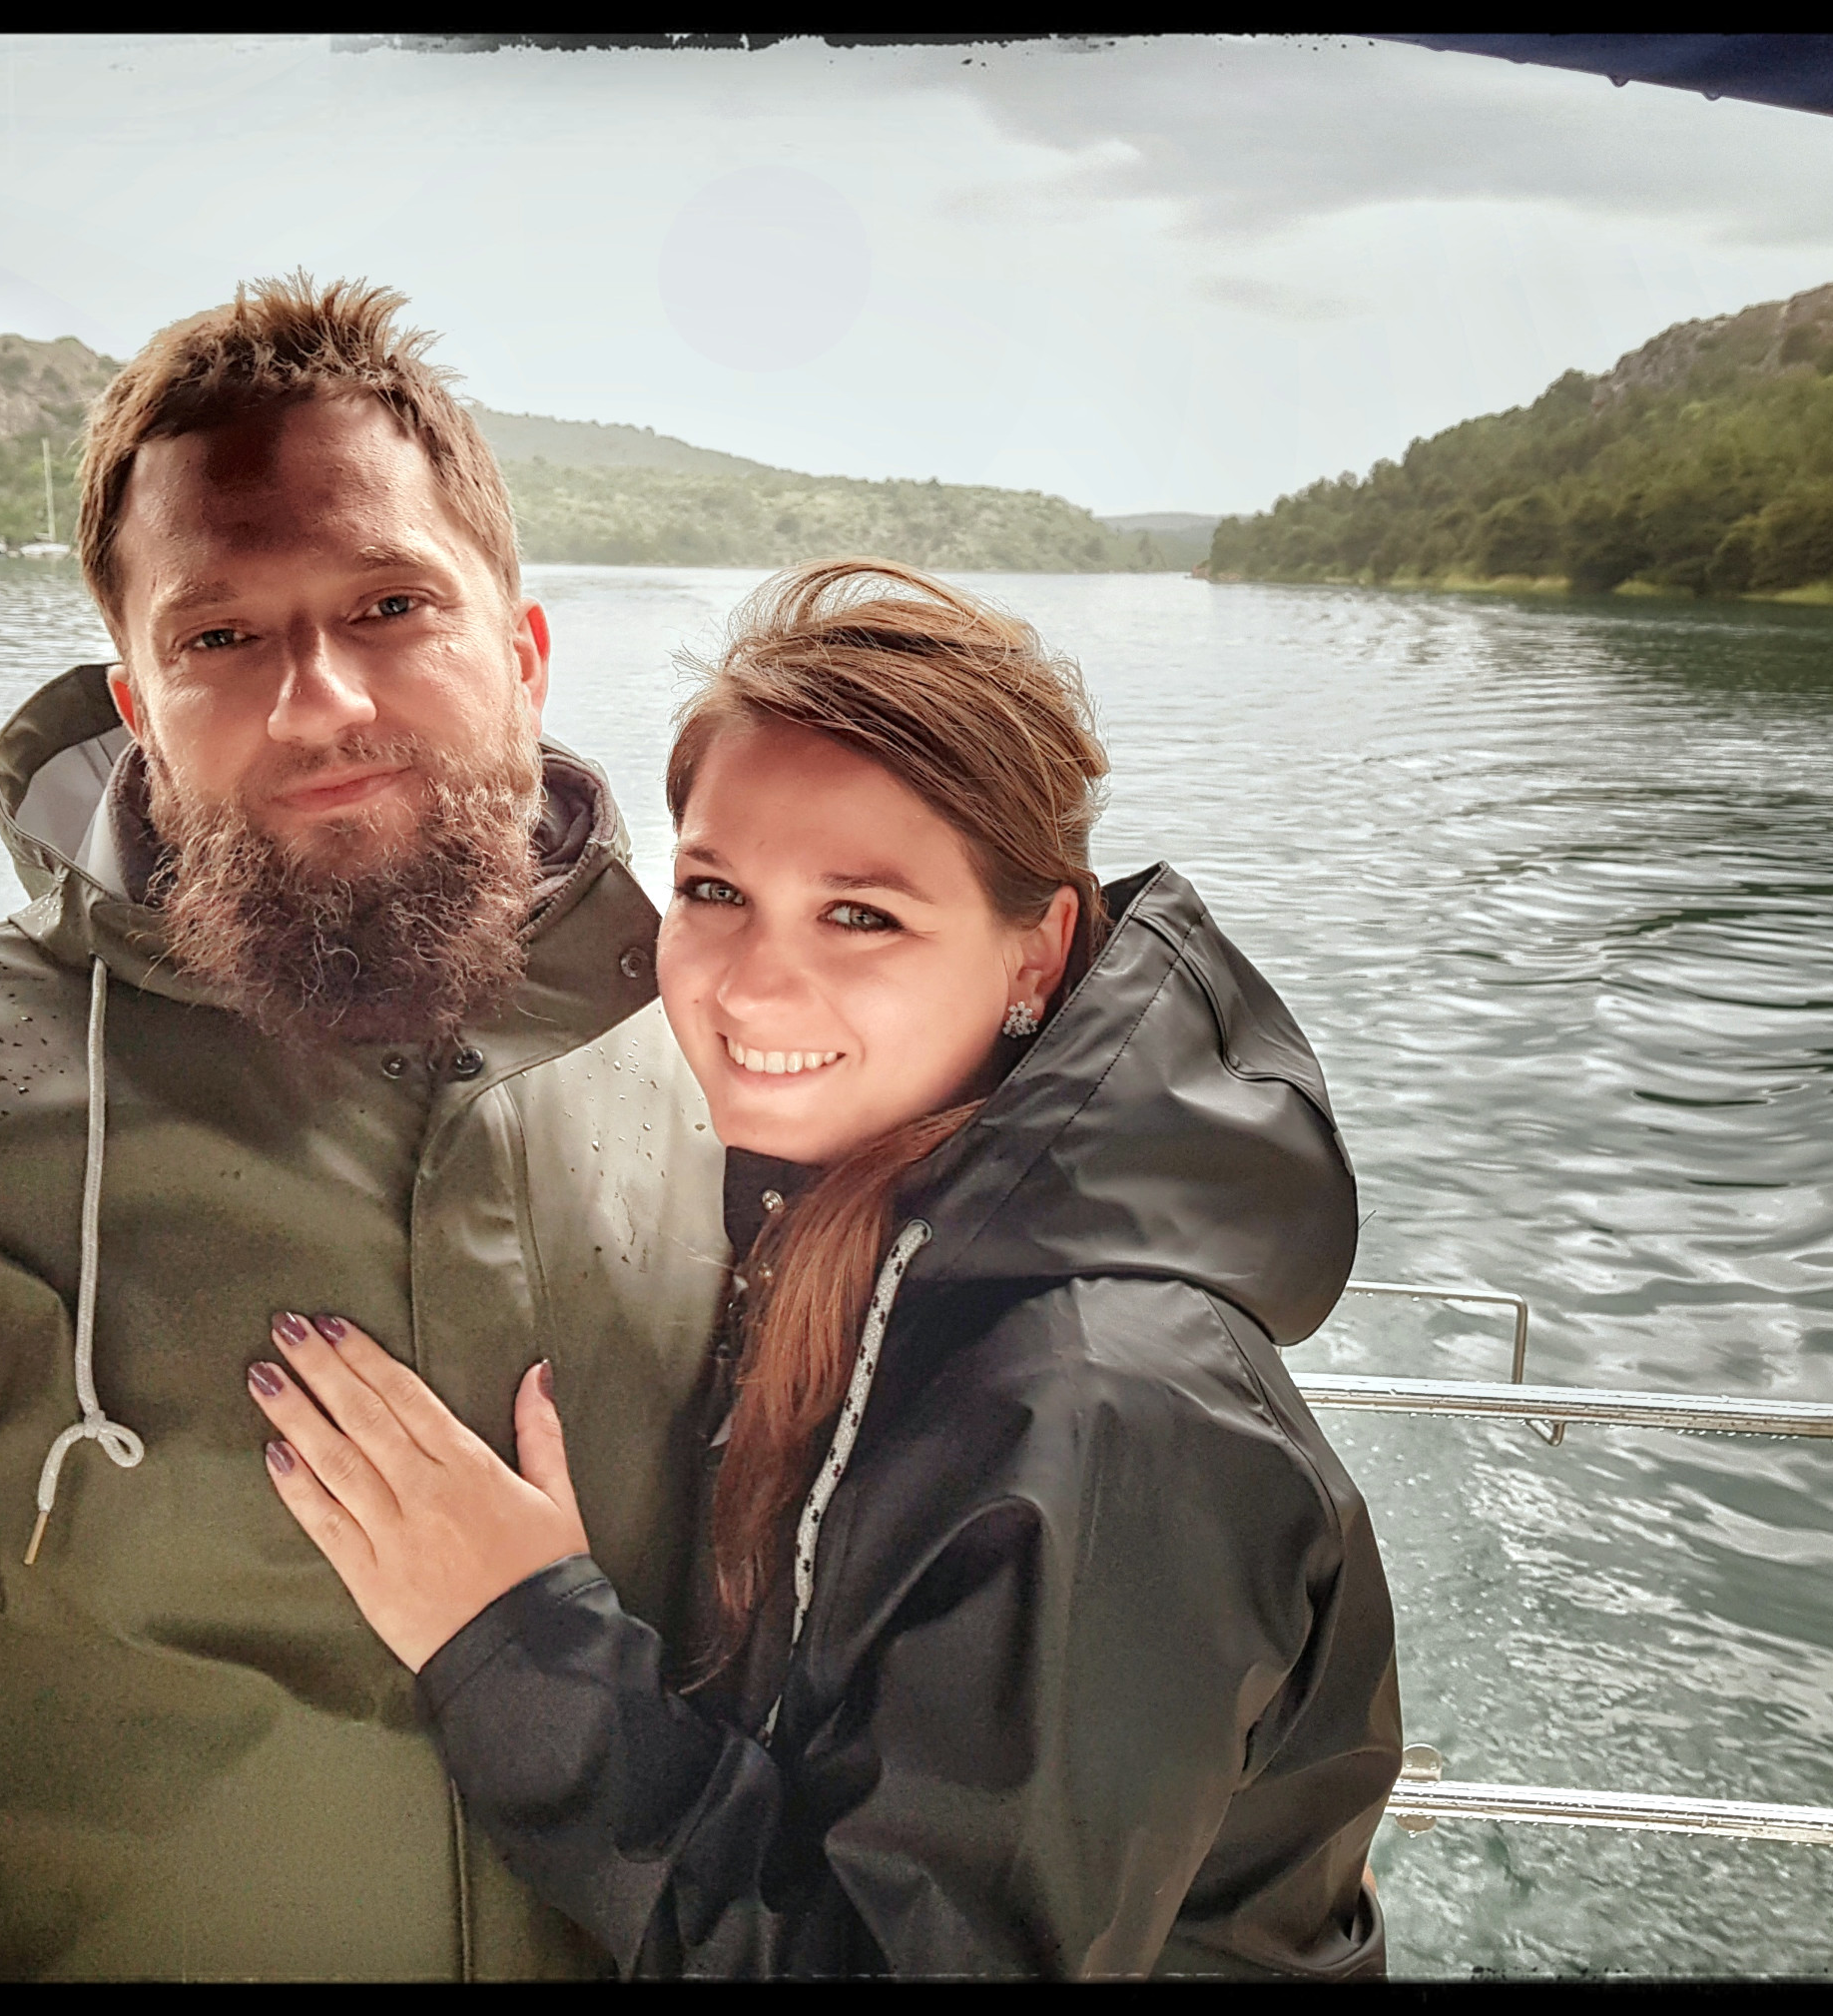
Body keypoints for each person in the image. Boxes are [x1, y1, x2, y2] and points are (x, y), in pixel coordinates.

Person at [0, 277, 730, 1979]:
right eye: (218, 638)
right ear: (135, 701)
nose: (319, 700)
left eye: (392, 604)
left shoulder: (726, 1056)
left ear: (524, 649)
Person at [244, 560, 1405, 1978]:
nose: (749, 984)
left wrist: (517, 1643)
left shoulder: (1108, 1412)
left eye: (862, 913)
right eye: (715, 890)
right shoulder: (842, 1227)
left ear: (1036, 949)